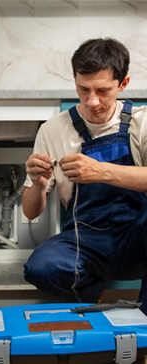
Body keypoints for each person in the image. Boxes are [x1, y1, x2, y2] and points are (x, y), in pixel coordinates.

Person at [22, 38, 147, 313]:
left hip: (137, 240)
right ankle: (93, 309)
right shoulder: (53, 130)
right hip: (85, 241)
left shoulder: (142, 122)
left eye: (103, 90)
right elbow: (31, 213)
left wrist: (101, 170)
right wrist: (38, 183)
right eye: (83, 89)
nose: (92, 101)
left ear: (123, 84)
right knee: (41, 267)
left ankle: (144, 321)